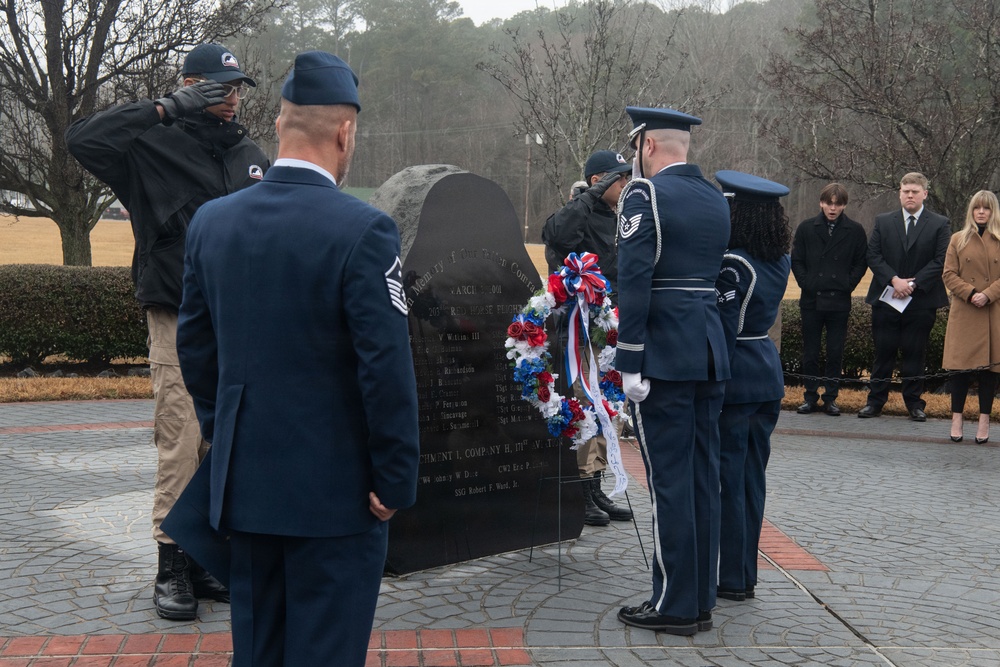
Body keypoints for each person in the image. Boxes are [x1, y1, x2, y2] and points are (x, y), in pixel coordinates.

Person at [175, 51, 419, 667]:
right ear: (346, 132)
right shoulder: (364, 230)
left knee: (258, 651)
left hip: (246, 485)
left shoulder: (210, 223)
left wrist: (230, 439)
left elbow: (197, 351)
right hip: (337, 497)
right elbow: (385, 368)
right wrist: (394, 479)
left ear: (281, 125)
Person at [65, 42, 269, 620]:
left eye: (234, 89)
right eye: (217, 87)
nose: (229, 99)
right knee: (181, 436)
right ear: (189, 85)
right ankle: (171, 562)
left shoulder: (250, 154)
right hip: (177, 310)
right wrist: (167, 107)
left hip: (241, 316)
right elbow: (82, 140)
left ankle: (205, 552)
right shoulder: (147, 145)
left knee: (221, 439)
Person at [614, 107, 731, 635]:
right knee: (703, 476)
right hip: (707, 350)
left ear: (649, 146)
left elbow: (635, 279)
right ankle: (701, 595)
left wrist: (629, 358)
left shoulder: (644, 195)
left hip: (663, 353)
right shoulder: (713, 197)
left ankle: (674, 603)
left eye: (634, 147)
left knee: (669, 481)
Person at [541, 150, 633, 526]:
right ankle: (579, 489)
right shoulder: (576, 213)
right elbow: (558, 236)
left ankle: (595, 482)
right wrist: (590, 196)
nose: (626, 184)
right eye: (620, 178)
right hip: (581, 328)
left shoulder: (621, 216)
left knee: (608, 405)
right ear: (599, 182)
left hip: (612, 327)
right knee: (584, 400)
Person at [713, 171, 791, 603]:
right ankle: (743, 573)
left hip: (737, 376)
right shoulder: (780, 258)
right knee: (750, 480)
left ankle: (732, 577)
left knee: (729, 481)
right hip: (765, 369)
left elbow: (725, 330)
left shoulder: (733, 263)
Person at [860, 173, 950, 421]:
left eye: (914, 191)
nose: (909, 195)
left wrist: (913, 283)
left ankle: (914, 404)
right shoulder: (883, 221)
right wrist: (894, 280)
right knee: (883, 353)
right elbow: (873, 256)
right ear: (899, 193)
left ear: (925, 194)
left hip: (921, 301)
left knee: (915, 354)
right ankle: (875, 402)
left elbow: (941, 260)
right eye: (905, 191)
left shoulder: (940, 223)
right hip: (887, 298)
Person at [791, 183, 868, 416]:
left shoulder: (855, 230)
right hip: (812, 299)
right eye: (828, 203)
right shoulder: (806, 228)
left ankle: (831, 398)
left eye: (838, 203)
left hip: (839, 299)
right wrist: (807, 283)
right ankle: (810, 396)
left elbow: (861, 262)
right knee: (811, 352)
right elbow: (797, 260)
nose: (832, 208)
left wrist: (847, 284)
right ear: (821, 203)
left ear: (844, 205)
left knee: (835, 351)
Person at [941, 190, 1000, 443]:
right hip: (965, 310)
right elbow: (948, 274)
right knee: (960, 369)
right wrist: (971, 292)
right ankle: (957, 417)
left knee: (990, 370)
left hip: (993, 310)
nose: (981, 212)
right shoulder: (957, 239)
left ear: (993, 211)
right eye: (977, 207)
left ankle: (984, 419)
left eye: (986, 208)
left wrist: (988, 294)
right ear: (971, 211)